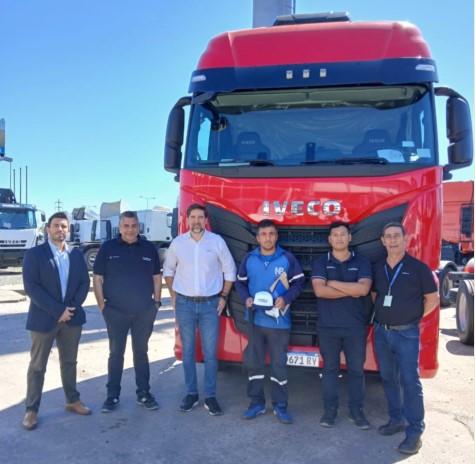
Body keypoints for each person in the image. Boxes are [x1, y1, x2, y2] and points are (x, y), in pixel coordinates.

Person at [163, 204, 236, 416]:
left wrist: (223, 297)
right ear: (187, 219)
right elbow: (168, 270)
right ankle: (191, 393)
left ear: (206, 220)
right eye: (193, 217)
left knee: (210, 353)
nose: (196, 221)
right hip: (184, 305)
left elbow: (230, 271)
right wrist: (173, 296)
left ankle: (210, 396)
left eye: (200, 217)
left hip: (210, 305)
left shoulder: (216, 242)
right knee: (188, 352)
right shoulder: (178, 243)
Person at [371, 222, 438, 455]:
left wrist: (414, 318)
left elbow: (432, 299)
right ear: (382, 241)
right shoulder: (378, 267)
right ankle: (396, 420)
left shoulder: (419, 268)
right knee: (388, 378)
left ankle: (415, 432)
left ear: (405, 239)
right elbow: (375, 296)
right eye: (388, 237)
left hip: (407, 333)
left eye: (396, 236)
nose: (392, 240)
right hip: (381, 332)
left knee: (410, 382)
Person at [21, 212, 91, 431]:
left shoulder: (76, 254)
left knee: (69, 362)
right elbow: (32, 287)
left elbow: (84, 283)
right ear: (48, 229)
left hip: (72, 319)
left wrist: (70, 309)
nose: (60, 229)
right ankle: (31, 410)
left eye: (64, 226)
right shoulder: (34, 254)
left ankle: (72, 400)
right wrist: (58, 310)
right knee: (37, 366)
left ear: (68, 230)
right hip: (44, 319)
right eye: (56, 226)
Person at [235, 219, 304, 424]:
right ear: (257, 238)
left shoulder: (287, 258)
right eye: (264, 234)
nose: (268, 238)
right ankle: (256, 403)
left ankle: (280, 405)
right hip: (254, 321)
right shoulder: (249, 258)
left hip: (279, 323)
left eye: (271, 234)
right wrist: (246, 298)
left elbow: (299, 283)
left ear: (276, 236)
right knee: (254, 364)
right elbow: (240, 283)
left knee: (279, 366)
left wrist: (286, 298)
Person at [93, 211, 162, 413]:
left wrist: (156, 303)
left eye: (133, 226)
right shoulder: (108, 248)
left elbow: (157, 277)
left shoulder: (149, 248)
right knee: (116, 354)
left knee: (141, 353)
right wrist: (102, 305)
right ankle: (112, 396)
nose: (130, 230)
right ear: (120, 227)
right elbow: (97, 278)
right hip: (115, 312)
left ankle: (144, 393)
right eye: (126, 226)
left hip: (143, 312)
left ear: (139, 227)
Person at [311, 221, 372, 429]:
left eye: (343, 234)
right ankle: (329, 411)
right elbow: (320, 291)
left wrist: (333, 283)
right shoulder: (321, 262)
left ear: (350, 237)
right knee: (330, 370)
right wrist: (351, 290)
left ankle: (356, 412)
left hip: (355, 327)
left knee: (356, 371)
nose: (339, 238)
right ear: (329, 239)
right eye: (335, 235)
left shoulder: (362, 262)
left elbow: (363, 290)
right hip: (328, 327)